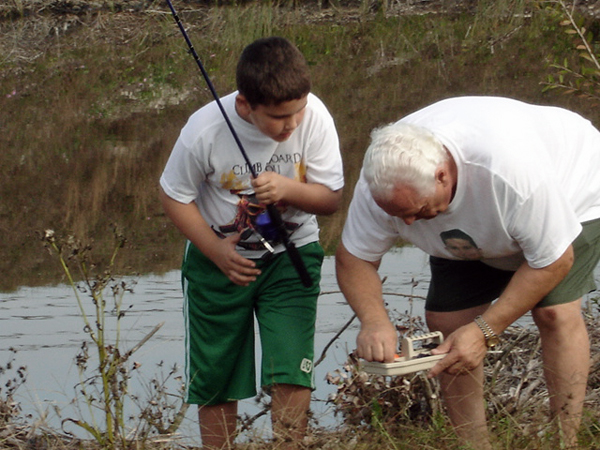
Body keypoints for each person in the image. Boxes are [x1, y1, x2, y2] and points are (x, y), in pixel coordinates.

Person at [335, 96, 600, 449]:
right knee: (448, 324)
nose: (409, 224)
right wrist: (374, 320)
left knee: (553, 312)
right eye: (398, 216)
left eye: (417, 210)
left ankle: (565, 441)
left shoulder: (510, 172)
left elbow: (554, 260)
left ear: (442, 175)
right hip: (474, 224)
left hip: (573, 189)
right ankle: (473, 444)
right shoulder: (381, 187)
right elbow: (354, 259)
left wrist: (485, 331)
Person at [160, 36, 344, 449]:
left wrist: (286, 189)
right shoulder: (204, 129)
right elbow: (173, 195)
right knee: (216, 374)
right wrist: (215, 249)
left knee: (291, 366)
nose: (292, 124)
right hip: (219, 265)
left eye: (298, 111)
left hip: (292, 258)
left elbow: (330, 198)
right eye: (279, 117)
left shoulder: (313, 115)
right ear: (245, 105)